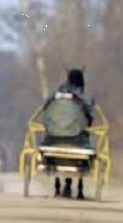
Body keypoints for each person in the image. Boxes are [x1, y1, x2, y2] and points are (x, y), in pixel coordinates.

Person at [39, 68, 95, 198]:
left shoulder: (56, 94)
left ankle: (58, 186)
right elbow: (89, 114)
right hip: (76, 139)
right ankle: (79, 188)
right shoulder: (80, 96)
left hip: (52, 137)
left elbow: (45, 108)